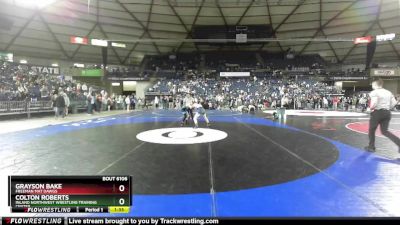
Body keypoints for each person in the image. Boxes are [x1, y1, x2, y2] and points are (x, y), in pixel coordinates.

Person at [365, 79, 400, 153]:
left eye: (372, 85)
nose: (372, 86)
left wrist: (370, 109)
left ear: (375, 84)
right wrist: (387, 108)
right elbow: (394, 102)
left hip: (377, 113)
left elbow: (374, 102)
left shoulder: (374, 92)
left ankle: (371, 147)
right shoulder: (388, 92)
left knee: (372, 130)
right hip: (387, 113)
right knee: (385, 131)